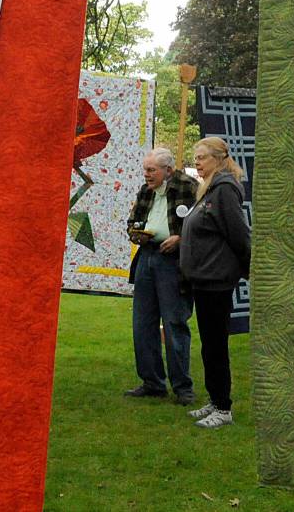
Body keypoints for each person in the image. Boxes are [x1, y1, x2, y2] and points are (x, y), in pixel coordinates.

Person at [179, 137, 250, 428]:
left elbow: (239, 233)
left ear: (219, 159)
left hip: (216, 280)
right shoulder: (209, 188)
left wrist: (248, 268)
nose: (197, 162)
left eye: (202, 157)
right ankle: (214, 398)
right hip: (203, 278)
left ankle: (223, 407)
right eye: (195, 157)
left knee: (216, 345)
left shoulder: (224, 190)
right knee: (209, 344)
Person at [124, 147, 199, 404]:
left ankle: (183, 387)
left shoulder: (188, 187)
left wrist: (181, 238)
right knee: (142, 323)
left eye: (151, 170)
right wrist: (136, 233)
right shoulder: (146, 191)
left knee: (174, 323)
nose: (146, 174)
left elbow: (203, 223)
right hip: (147, 257)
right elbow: (133, 221)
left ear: (168, 170)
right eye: (145, 170)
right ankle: (152, 382)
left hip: (173, 262)